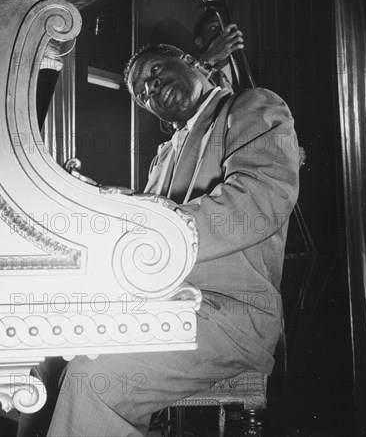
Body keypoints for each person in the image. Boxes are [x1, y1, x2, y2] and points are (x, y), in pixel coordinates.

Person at [46, 44, 300, 437]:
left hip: (232, 313)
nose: (151, 88)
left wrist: (157, 229)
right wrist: (102, 203)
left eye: (155, 71)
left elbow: (261, 199)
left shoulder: (249, 106)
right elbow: (153, 220)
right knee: (53, 354)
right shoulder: (164, 155)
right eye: (142, 94)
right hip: (173, 306)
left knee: (92, 380)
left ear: (194, 64)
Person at [193, 9, 244, 92]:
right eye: (213, 28)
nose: (221, 33)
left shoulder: (246, 67)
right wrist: (210, 57)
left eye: (224, 27)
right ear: (199, 42)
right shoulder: (195, 74)